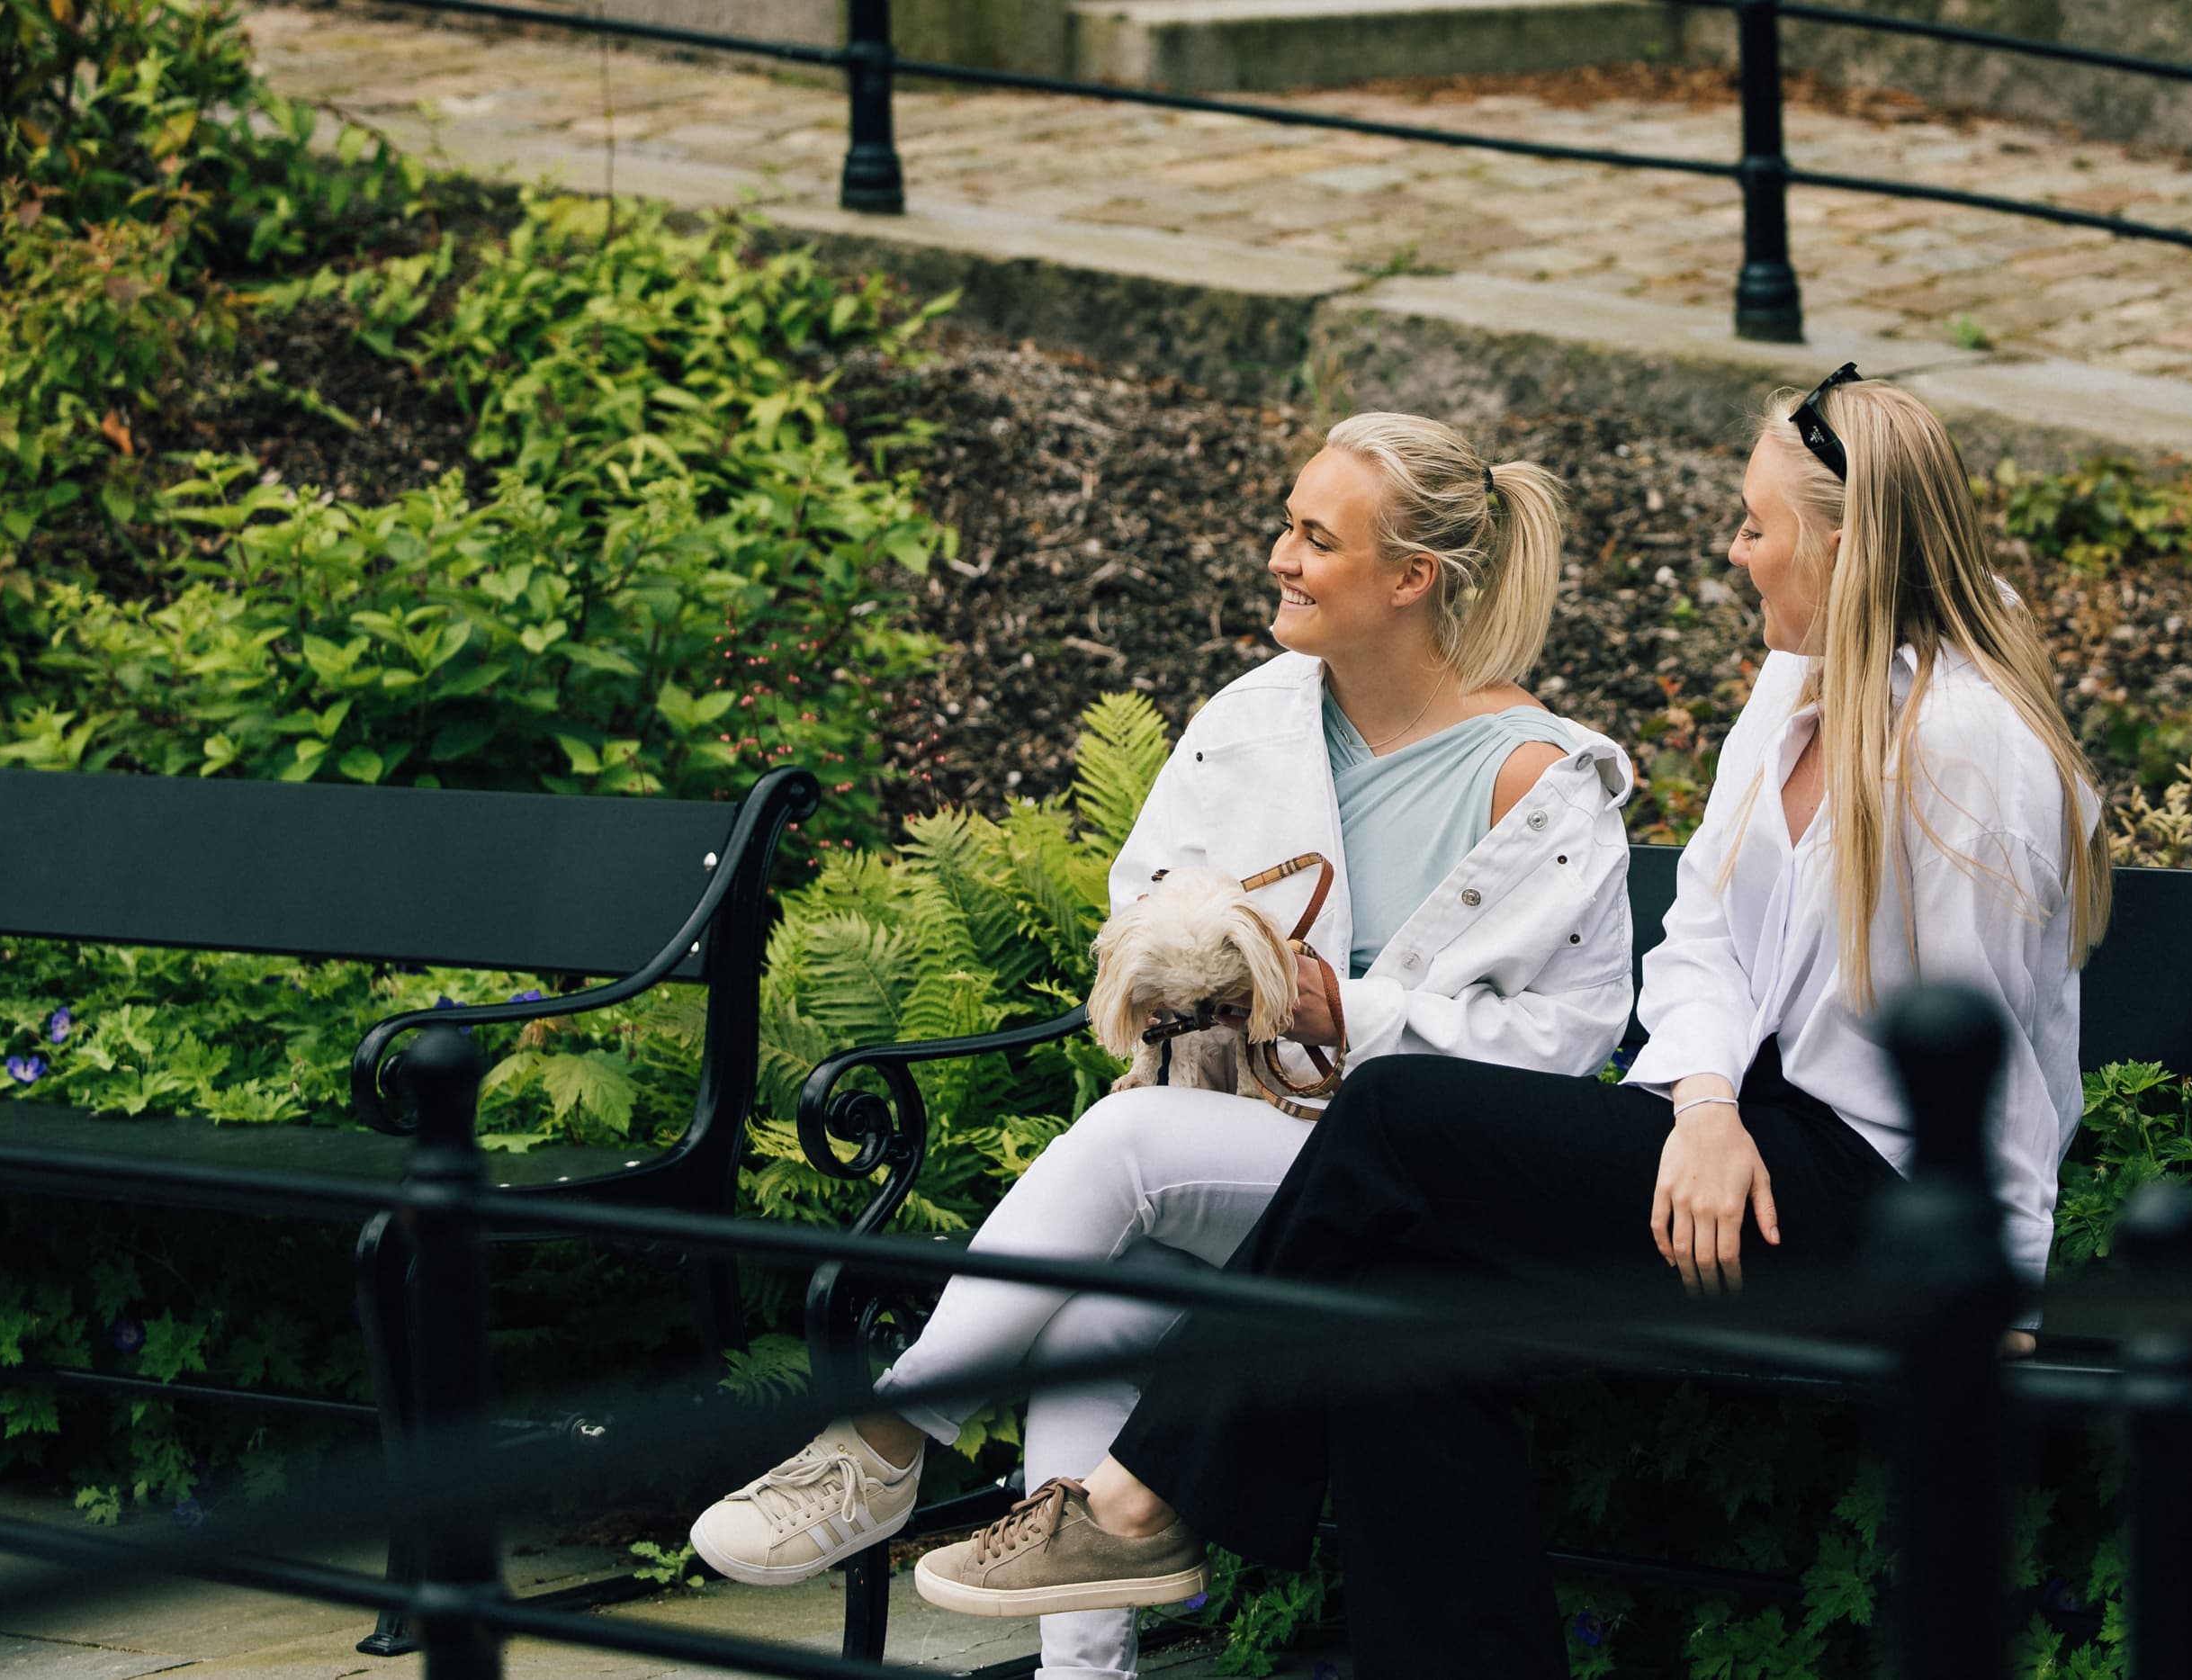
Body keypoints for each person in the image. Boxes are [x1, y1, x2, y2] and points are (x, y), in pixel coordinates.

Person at [907, 370, 2111, 1677]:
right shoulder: (1796, 688)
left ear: (1842, 545)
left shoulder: (1970, 752)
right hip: (1736, 1150)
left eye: (1757, 526)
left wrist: (2000, 1285)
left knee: (1392, 1114)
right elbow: (1701, 933)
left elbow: (1985, 1049)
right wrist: (1705, 1105)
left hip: (1882, 1207)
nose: (1735, 549)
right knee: (1400, 1299)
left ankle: (1140, 1502)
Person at [689, 412, 1640, 1680]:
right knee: (1102, 1292)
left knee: (1129, 1147)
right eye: (1287, 527)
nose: (1279, 558)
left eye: (1317, 539)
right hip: (1243, 1135)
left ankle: (890, 1439)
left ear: (1412, 577)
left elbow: (1565, 1048)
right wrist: (1195, 961)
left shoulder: (1539, 780)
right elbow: (1139, 897)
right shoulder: (1254, 716)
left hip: (1416, 1197)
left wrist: (1341, 1012)